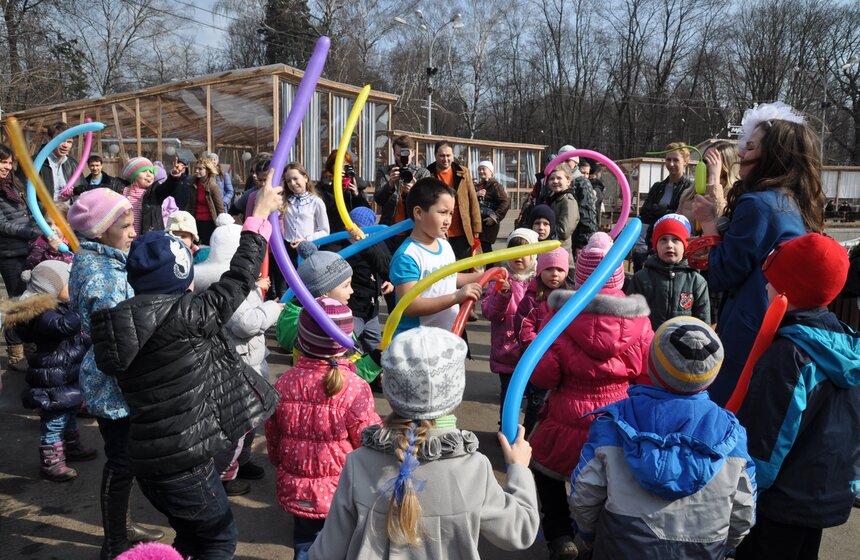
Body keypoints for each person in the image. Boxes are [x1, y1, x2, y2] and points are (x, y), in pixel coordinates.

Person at [89, 175, 283, 560]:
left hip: (148, 462)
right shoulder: (188, 316)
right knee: (219, 538)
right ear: (182, 275)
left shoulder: (117, 323)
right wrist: (258, 216)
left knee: (191, 534)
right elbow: (240, 276)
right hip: (185, 463)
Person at [307, 327, 540, 559]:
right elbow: (519, 531)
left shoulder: (359, 463)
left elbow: (325, 552)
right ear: (455, 390)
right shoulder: (473, 468)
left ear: (389, 389)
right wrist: (518, 469)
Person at [570, 317, 756, 559]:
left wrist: (587, 533)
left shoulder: (612, 423)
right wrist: (726, 546)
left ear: (652, 364)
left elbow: (585, 493)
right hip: (704, 551)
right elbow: (744, 510)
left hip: (620, 548)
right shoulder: (733, 434)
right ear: (712, 374)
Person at [527, 232, 653, 559]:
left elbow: (544, 374)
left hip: (567, 414)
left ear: (579, 273)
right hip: (617, 420)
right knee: (610, 482)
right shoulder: (638, 321)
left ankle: (559, 534)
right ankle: (595, 535)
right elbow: (646, 373)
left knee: (546, 471)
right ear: (619, 272)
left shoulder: (561, 316)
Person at [735, 233, 859, 560]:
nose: (765, 288)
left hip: (780, 500)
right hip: (823, 490)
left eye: (772, 282)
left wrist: (741, 489)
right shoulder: (846, 346)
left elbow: (767, 437)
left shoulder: (788, 356)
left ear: (791, 289)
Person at [692, 104, 820, 407]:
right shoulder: (793, 202)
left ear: (772, 156)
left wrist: (709, 223)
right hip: (778, 322)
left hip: (750, 327)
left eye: (749, 146)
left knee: (732, 407)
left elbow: (722, 273)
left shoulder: (758, 205)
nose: (742, 154)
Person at [66, 188, 163, 557]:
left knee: (126, 459)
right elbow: (119, 341)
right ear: (100, 231)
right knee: (122, 462)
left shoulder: (103, 260)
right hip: (113, 379)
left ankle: (121, 525)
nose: (133, 231)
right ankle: (115, 542)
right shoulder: (102, 278)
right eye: (124, 226)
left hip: (113, 374)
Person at [266, 296, 380, 559]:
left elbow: (273, 433)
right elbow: (368, 440)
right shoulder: (353, 387)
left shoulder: (284, 382)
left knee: (305, 544)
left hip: (297, 487)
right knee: (342, 546)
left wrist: (278, 461)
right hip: (342, 490)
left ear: (301, 339)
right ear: (345, 343)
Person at [193, 214, 282, 495]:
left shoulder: (240, 284)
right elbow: (245, 323)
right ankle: (223, 475)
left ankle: (241, 461)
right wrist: (273, 310)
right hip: (238, 367)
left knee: (250, 421)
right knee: (238, 426)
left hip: (250, 362)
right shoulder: (227, 286)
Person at [0, 261, 98, 482]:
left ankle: (71, 447)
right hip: (52, 377)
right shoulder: (43, 314)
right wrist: (81, 309)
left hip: (65, 373)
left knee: (70, 413)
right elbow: (63, 327)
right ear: (51, 289)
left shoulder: (59, 307)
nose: (73, 287)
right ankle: (51, 463)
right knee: (54, 421)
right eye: (68, 283)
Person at [389, 177, 483, 336]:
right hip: (417, 343)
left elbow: (450, 277)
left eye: (451, 213)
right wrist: (456, 297)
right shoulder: (408, 256)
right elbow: (410, 306)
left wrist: (486, 278)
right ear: (418, 212)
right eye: (442, 212)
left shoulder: (444, 245)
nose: (448, 221)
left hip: (445, 338)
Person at [481, 228, 539, 425]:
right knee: (508, 394)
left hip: (532, 350)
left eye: (525, 252)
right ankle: (506, 427)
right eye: (514, 252)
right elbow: (490, 313)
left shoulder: (540, 281)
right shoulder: (501, 279)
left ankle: (530, 430)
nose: (519, 257)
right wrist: (502, 296)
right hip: (507, 350)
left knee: (533, 395)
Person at [513, 247, 573, 435]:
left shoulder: (571, 299)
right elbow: (524, 328)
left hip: (562, 363)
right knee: (536, 403)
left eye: (560, 270)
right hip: (537, 363)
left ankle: (549, 438)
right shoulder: (532, 301)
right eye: (549, 269)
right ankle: (529, 438)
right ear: (539, 272)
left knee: (557, 404)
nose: (554, 274)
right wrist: (539, 352)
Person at [627, 213, 710, 330]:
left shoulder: (696, 281)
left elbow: (703, 322)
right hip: (648, 344)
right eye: (663, 240)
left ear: (685, 245)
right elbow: (630, 318)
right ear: (655, 246)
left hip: (683, 345)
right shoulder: (641, 278)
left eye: (676, 240)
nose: (669, 245)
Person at [0, 143, 42, 371]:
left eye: (8, 162)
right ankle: (16, 353)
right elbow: (3, 224)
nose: (6, 166)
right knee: (16, 300)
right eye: (2, 161)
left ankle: (29, 346)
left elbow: (28, 212)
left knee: (27, 297)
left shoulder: (13, 185)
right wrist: (32, 231)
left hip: (26, 248)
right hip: (8, 253)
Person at [635, 143, 693, 270]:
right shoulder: (658, 187)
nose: (671, 164)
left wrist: (657, 209)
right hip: (654, 240)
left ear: (685, 162)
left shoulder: (690, 188)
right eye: (668, 159)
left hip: (676, 244)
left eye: (676, 160)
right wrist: (668, 212)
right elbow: (645, 212)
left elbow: (681, 217)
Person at [344, 206, 392, 353]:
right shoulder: (341, 246)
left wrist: (389, 281)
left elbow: (386, 266)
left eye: (359, 229)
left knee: (376, 345)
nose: (354, 233)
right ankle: (345, 371)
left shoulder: (375, 244)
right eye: (351, 228)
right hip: (352, 309)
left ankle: (375, 373)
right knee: (347, 345)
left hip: (371, 310)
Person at [426, 141, 482, 261]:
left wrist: (476, 228)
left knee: (463, 268)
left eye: (448, 155)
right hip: (439, 232)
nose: (445, 159)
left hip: (462, 231)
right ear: (435, 155)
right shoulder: (427, 174)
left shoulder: (463, 172)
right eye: (442, 156)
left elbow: (473, 199)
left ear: (452, 156)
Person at [373, 134, 431, 242]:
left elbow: (428, 203)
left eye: (405, 154)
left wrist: (414, 190)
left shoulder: (422, 173)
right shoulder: (385, 172)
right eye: (398, 155)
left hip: (414, 231)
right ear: (394, 154)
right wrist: (390, 184)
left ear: (413, 153)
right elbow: (379, 200)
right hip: (389, 230)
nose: (402, 159)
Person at [676, 141, 739, 229]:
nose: (707, 166)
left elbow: (722, 223)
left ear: (726, 166)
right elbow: (677, 225)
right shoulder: (688, 194)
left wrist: (714, 181)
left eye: (714, 162)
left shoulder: (735, 195)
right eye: (705, 161)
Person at [121, 157, 179, 237]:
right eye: (144, 171)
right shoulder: (123, 190)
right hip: (127, 237)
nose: (149, 175)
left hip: (148, 238)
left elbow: (167, 188)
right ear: (134, 175)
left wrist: (173, 176)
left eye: (151, 172)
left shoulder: (154, 192)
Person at [317, 150, 370, 233]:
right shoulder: (325, 184)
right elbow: (325, 205)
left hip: (351, 231)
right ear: (331, 166)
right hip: (332, 231)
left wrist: (356, 194)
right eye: (338, 165)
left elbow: (364, 209)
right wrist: (335, 182)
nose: (341, 169)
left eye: (345, 166)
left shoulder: (353, 183)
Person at [179, 157, 225, 245]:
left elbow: (220, 209)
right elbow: (190, 204)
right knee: (194, 246)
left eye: (200, 169)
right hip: (195, 221)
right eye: (196, 168)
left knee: (206, 247)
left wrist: (222, 225)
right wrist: (184, 218)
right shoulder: (193, 184)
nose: (196, 171)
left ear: (208, 170)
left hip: (209, 223)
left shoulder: (213, 186)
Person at [544, 165, 579, 265]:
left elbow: (564, 231)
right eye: (552, 179)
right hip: (552, 252)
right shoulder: (554, 198)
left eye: (559, 178)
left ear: (568, 181)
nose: (555, 181)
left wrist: (544, 233)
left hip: (561, 254)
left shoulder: (568, 201)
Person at [39, 122, 83, 200]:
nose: (65, 145)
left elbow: (82, 192)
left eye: (69, 142)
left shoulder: (73, 165)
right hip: (44, 211)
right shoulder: (34, 164)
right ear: (49, 139)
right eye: (61, 140)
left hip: (70, 211)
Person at [475, 160, 511, 255]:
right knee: (477, 249)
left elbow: (505, 202)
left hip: (488, 224)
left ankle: (490, 269)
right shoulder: (478, 186)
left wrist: (494, 217)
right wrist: (476, 194)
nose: (481, 171)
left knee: (486, 250)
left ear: (490, 171)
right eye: (479, 169)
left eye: (483, 169)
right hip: (477, 223)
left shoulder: (495, 186)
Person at [26, 201, 74, 270]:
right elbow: (33, 265)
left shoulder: (72, 241)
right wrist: (52, 252)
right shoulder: (39, 244)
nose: (52, 228)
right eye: (48, 224)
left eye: (57, 224)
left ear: (67, 225)